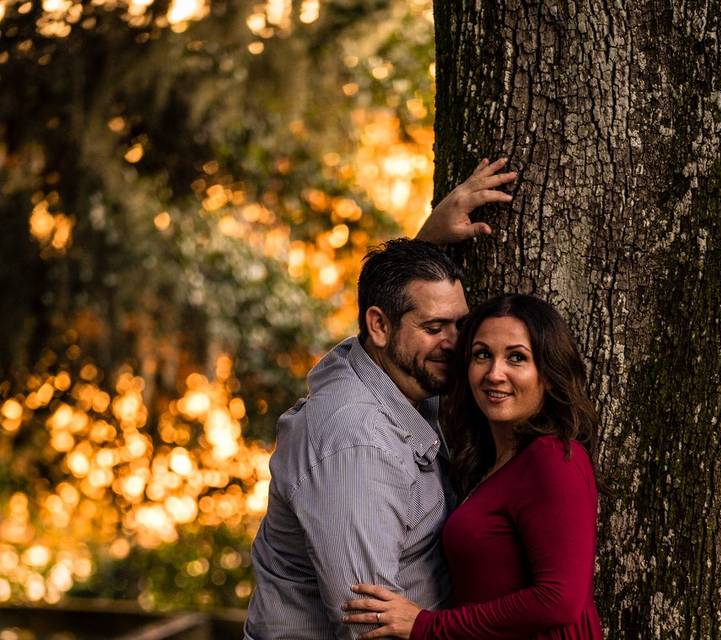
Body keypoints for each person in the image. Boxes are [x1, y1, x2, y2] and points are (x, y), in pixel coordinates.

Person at [244, 159, 516, 640]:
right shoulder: (357, 447)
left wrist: (425, 244)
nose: (456, 343)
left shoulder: (397, 374)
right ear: (379, 325)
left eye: (460, 325)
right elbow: (369, 628)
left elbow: (396, 317)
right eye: (435, 328)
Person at [343, 294, 603, 639]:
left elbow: (559, 600)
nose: (495, 374)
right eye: (483, 355)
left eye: (517, 358)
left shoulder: (553, 458)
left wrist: (426, 625)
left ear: (549, 374)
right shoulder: (490, 463)